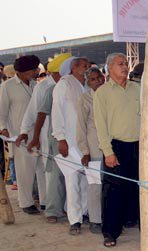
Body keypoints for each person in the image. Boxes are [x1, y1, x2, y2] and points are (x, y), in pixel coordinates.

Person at [93, 53, 141, 248]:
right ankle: (110, 232)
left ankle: (132, 220)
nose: (125, 67)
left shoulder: (137, 88)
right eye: (120, 64)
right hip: (116, 146)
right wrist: (108, 151)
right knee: (112, 190)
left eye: (126, 63)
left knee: (137, 187)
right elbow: (100, 125)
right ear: (110, 68)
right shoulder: (102, 93)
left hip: (138, 145)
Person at [18, 54, 69, 224]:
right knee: (49, 172)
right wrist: (27, 133)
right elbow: (33, 112)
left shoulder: (71, 84)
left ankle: (67, 207)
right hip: (48, 136)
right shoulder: (44, 87)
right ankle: (50, 206)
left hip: (69, 136)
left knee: (67, 172)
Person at [0, 55, 45, 214]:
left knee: (41, 168)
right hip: (20, 135)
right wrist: (3, 128)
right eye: (34, 69)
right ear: (23, 71)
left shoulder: (36, 85)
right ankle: (26, 203)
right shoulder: (7, 86)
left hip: (39, 133)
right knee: (24, 170)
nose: (36, 72)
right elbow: (1, 112)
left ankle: (44, 200)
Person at [52, 57, 90, 235]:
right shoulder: (64, 85)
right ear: (73, 68)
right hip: (69, 140)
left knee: (86, 180)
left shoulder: (87, 85)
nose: (87, 68)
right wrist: (60, 138)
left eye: (88, 66)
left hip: (86, 142)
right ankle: (75, 220)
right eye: (84, 66)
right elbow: (57, 111)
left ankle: (84, 212)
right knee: (72, 179)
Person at [76, 67, 106, 234]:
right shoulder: (84, 99)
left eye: (99, 78)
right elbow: (80, 127)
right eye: (93, 79)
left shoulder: (109, 94)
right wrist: (84, 151)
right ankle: (95, 219)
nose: (98, 81)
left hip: (110, 147)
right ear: (88, 82)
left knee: (110, 185)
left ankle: (109, 217)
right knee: (95, 184)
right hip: (93, 148)